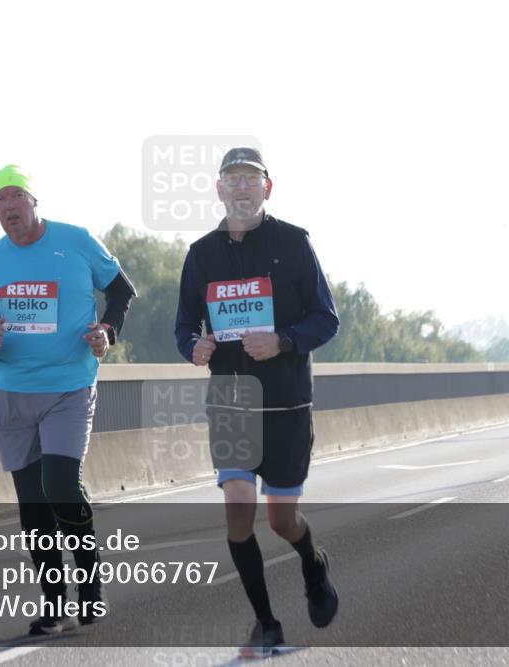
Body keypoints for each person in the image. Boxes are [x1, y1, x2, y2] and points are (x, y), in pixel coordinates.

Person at [174, 147, 340, 658]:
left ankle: (313, 563)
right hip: (231, 400)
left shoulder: (294, 243)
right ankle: (268, 625)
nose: (241, 188)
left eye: (251, 179)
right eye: (233, 179)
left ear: (267, 188)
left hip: (286, 403)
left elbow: (326, 319)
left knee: (283, 520)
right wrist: (194, 347)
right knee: (239, 508)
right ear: (219, 189)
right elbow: (184, 326)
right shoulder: (201, 254)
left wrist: (283, 341)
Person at [0, 164, 136, 635]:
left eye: (16, 196)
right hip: (13, 394)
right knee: (34, 506)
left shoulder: (75, 241)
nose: (8, 207)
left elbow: (122, 290)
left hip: (69, 387)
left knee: (60, 484)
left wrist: (106, 330)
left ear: (34, 201)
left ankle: (91, 588)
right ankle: (55, 606)